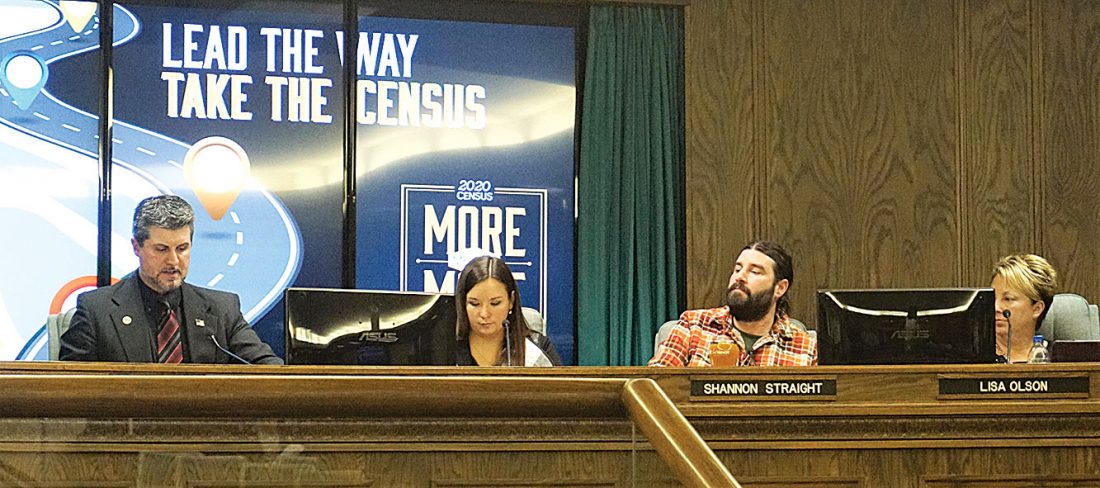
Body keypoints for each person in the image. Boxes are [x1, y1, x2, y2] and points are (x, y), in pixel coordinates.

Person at [60, 195, 282, 365]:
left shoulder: (223, 310)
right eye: (162, 249)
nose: (174, 260)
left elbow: (268, 369)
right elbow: (71, 387)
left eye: (182, 248)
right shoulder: (96, 310)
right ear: (136, 247)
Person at [649, 240, 816, 367]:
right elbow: (655, 388)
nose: (739, 277)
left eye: (754, 272)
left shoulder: (806, 348)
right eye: (737, 269)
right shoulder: (693, 326)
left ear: (780, 288)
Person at [454, 255, 561, 366]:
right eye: (474, 304)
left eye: (495, 303)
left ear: (511, 301)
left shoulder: (536, 351)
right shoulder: (447, 349)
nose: (484, 314)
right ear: (462, 303)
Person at [991, 254, 1057, 363]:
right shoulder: (972, 355)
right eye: (992, 297)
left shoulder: (1059, 358)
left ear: (1037, 309)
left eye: (1008, 299)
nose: (995, 307)